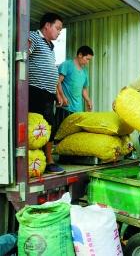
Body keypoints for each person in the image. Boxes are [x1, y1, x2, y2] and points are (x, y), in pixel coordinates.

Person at [29, 13, 65, 174]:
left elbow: (53, 72)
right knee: (36, 127)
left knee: (48, 127)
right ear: (47, 26)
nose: (59, 32)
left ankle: (48, 161)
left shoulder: (51, 47)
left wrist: (58, 94)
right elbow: (21, 56)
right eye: (57, 28)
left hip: (48, 93)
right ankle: (37, 161)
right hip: (34, 91)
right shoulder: (33, 37)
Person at [55, 46, 94, 128]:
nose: (87, 62)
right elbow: (57, 82)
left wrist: (88, 100)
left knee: (74, 136)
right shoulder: (66, 65)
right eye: (87, 59)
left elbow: (84, 89)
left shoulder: (84, 72)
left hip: (78, 110)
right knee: (60, 133)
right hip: (65, 107)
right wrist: (62, 97)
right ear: (80, 55)